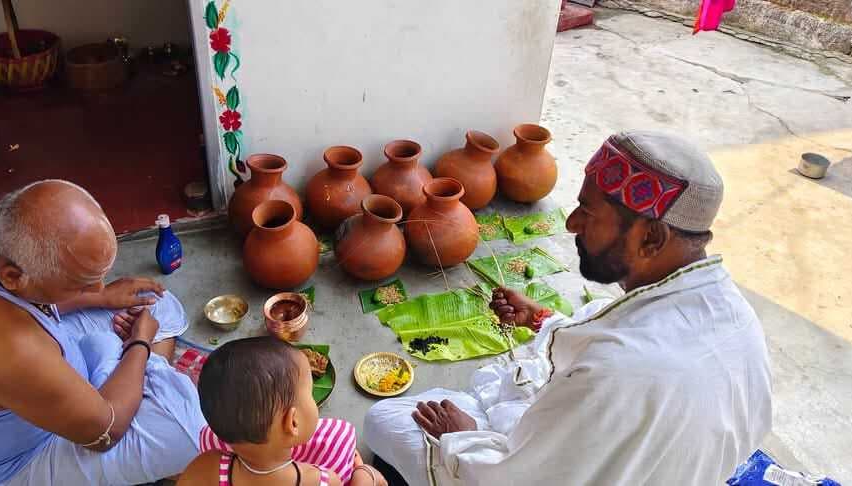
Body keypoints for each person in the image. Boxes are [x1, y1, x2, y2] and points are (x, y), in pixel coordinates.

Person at [364, 131, 772, 485]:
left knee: (387, 420)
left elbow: (514, 480)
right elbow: (624, 338)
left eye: (588, 213)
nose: (572, 223)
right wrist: (540, 318)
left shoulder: (615, 374)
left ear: (651, 238)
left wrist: (462, 436)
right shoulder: (735, 314)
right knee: (503, 379)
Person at [0, 180, 206, 485]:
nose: (100, 287)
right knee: (190, 435)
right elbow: (107, 431)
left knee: (155, 303)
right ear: (12, 276)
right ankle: (136, 378)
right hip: (18, 463)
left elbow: (10, 297)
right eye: (81, 283)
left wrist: (100, 298)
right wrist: (140, 343)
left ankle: (127, 378)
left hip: (23, 368)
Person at [178, 337, 387, 486]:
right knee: (374, 477)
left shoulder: (205, 467)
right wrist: (363, 473)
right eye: (310, 394)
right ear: (293, 423)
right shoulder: (321, 480)